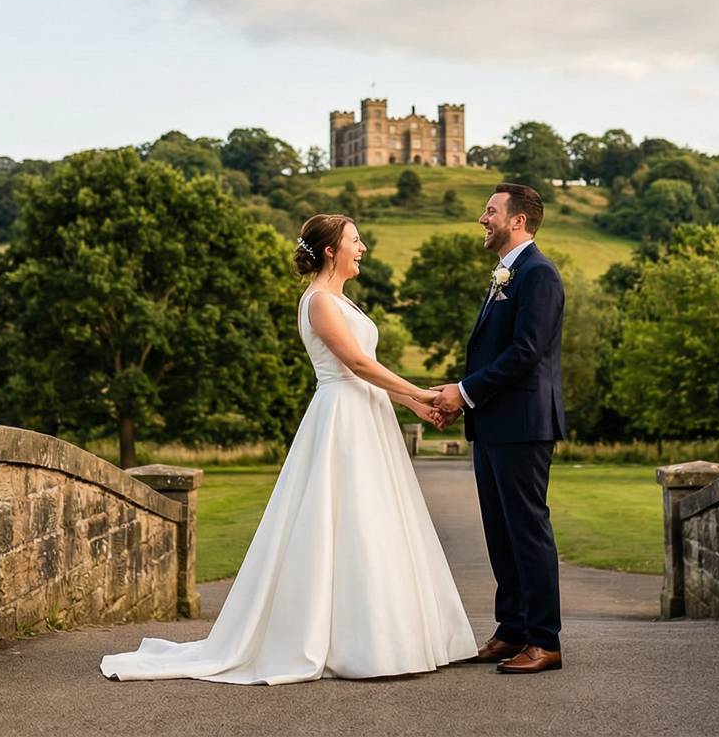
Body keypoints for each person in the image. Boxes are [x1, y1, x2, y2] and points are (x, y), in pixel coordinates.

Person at [100, 214, 476, 684]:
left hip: (367, 415)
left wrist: (412, 407)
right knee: (343, 519)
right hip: (340, 418)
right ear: (331, 251)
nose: (362, 249)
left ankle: (387, 636)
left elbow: (370, 369)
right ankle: (347, 641)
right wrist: (423, 393)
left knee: (375, 519)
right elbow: (355, 364)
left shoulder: (345, 303)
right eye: (355, 242)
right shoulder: (318, 301)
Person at [431, 183, 567, 674]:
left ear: (517, 221)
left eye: (490, 211)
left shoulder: (540, 274)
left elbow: (526, 353)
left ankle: (544, 640)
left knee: (527, 531)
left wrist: (463, 393)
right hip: (494, 424)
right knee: (501, 532)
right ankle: (511, 629)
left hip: (524, 424)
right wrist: (466, 401)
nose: (481, 219)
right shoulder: (507, 274)